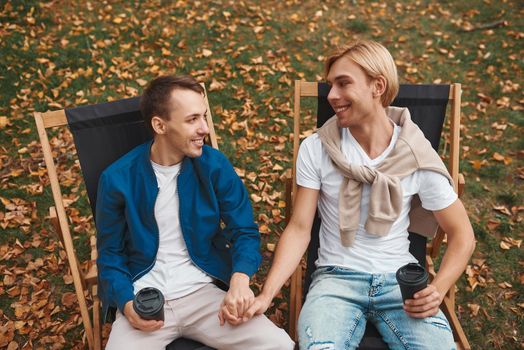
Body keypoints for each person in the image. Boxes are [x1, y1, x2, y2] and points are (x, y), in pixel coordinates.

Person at [244, 40, 475, 349]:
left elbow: (462, 234)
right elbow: (300, 229)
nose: (331, 96)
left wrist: (439, 288)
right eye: (330, 85)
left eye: (343, 83)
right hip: (334, 281)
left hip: (399, 282)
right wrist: (266, 295)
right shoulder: (317, 148)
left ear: (377, 86)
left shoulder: (416, 155)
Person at [96, 75, 294, 350]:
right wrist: (127, 305)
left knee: (278, 345)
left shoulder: (214, 166)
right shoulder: (117, 179)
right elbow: (110, 254)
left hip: (205, 296)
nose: (204, 128)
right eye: (192, 120)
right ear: (160, 125)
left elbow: (244, 231)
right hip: (146, 300)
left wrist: (239, 280)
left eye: (204, 116)